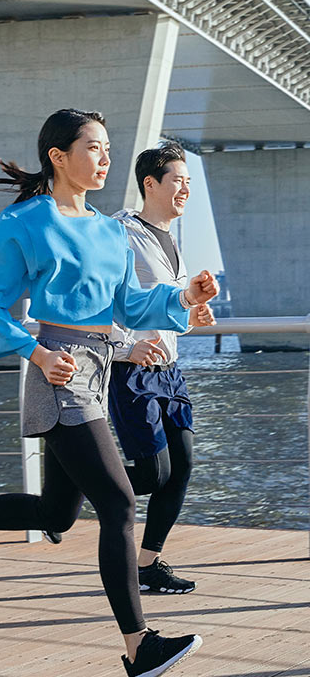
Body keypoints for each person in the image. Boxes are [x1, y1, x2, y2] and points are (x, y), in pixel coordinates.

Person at [0, 109, 217, 677]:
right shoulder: (25, 221)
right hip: (59, 371)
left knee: (56, 515)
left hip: (99, 368)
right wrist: (36, 352)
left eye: (108, 149)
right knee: (120, 502)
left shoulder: (107, 230)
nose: (104, 158)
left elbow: (131, 308)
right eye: (93, 147)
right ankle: (138, 647)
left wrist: (182, 295)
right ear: (58, 156)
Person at [108, 142, 210, 595]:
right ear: (150, 183)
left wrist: (191, 315)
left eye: (189, 182)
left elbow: (166, 312)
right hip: (131, 371)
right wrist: (125, 348)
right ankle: (80, 482)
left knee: (182, 466)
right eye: (177, 180)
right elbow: (102, 301)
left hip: (169, 371)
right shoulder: (120, 232)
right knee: (152, 474)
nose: (186, 189)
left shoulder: (173, 240)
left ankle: (148, 564)